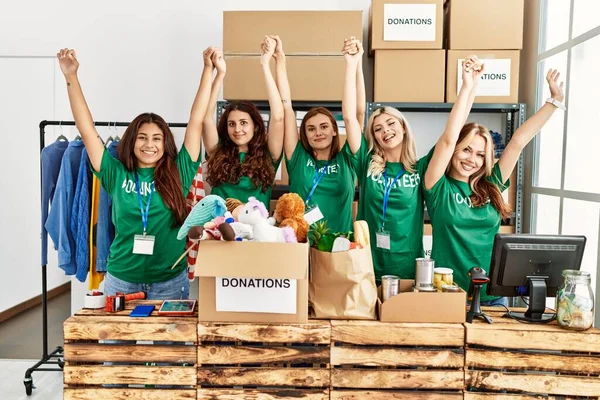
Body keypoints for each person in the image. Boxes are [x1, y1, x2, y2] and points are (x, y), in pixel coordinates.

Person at [57, 47, 214, 299]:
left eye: (156, 138)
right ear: (131, 141)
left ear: (165, 143)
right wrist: (71, 77)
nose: (149, 145)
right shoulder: (115, 174)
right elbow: (86, 129)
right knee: (117, 340)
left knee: (168, 341)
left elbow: (195, 120)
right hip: (122, 281)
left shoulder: (180, 171)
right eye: (142, 138)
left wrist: (207, 70)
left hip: (170, 282)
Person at [423, 59, 565, 305]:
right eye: (466, 150)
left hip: (494, 294)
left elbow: (519, 141)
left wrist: (554, 102)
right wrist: (468, 86)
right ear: (455, 150)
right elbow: (448, 139)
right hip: (448, 294)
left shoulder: (492, 185)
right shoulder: (438, 187)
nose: (472, 159)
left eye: (480, 154)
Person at [342, 40, 478, 281]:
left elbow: (450, 138)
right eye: (378, 129)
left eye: (391, 123)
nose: (385, 131)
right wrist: (352, 65)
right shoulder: (366, 163)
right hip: (366, 265)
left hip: (407, 268)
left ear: (404, 128)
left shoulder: (421, 169)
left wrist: (468, 87)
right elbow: (351, 118)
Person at [269, 35, 359, 233]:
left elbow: (351, 116)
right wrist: (280, 62)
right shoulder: (298, 157)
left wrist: (351, 65)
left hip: (338, 247)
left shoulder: (347, 158)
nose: (318, 132)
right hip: (300, 245)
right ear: (304, 134)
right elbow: (287, 107)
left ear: (335, 130)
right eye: (311, 129)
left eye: (324, 127)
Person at [202, 38, 284, 208]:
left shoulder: (268, 155)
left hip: (258, 233)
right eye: (231, 124)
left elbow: (277, 116)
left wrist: (265, 64)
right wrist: (220, 74)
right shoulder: (218, 151)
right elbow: (205, 118)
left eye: (243, 123)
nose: (237, 129)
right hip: (219, 232)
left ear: (256, 126)